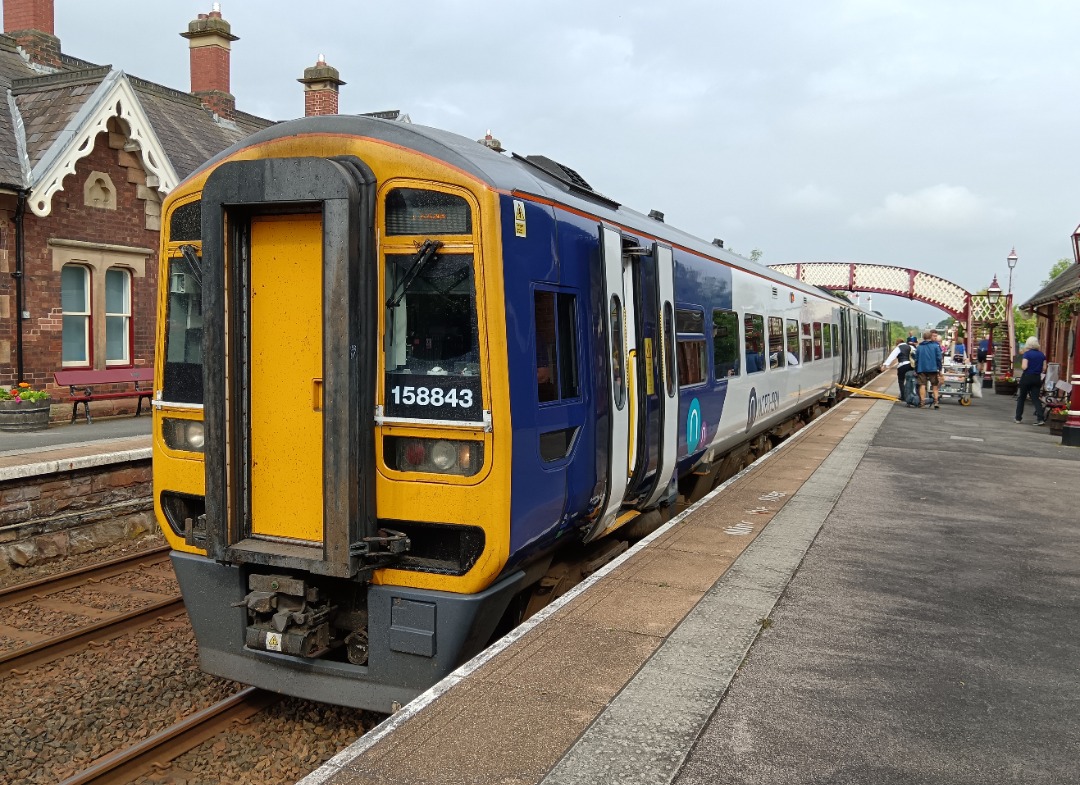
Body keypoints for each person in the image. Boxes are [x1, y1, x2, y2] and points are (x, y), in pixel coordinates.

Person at [1014, 336, 1047, 425]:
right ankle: (1040, 419)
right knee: (1036, 398)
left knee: (1022, 398)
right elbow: (1044, 368)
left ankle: (1018, 418)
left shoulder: (1027, 354)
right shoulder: (1042, 355)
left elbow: (1024, 367)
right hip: (1037, 378)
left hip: (1027, 377)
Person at [914, 329, 943, 408]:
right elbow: (939, 358)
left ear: (923, 338)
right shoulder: (935, 346)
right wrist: (939, 369)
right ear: (931, 337)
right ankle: (936, 402)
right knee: (935, 385)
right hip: (933, 369)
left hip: (921, 369)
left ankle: (922, 402)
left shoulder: (919, 347)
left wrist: (916, 369)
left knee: (922, 385)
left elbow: (916, 360)